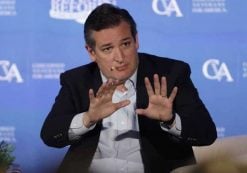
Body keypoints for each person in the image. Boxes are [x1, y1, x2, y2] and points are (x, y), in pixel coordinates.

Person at [40, 3, 217, 173]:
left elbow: (207, 133)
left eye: (125, 44)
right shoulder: (77, 80)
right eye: (107, 49)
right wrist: (88, 118)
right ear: (91, 52)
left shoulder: (170, 74)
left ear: (136, 40)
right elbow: (50, 135)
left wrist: (170, 120)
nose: (120, 57)